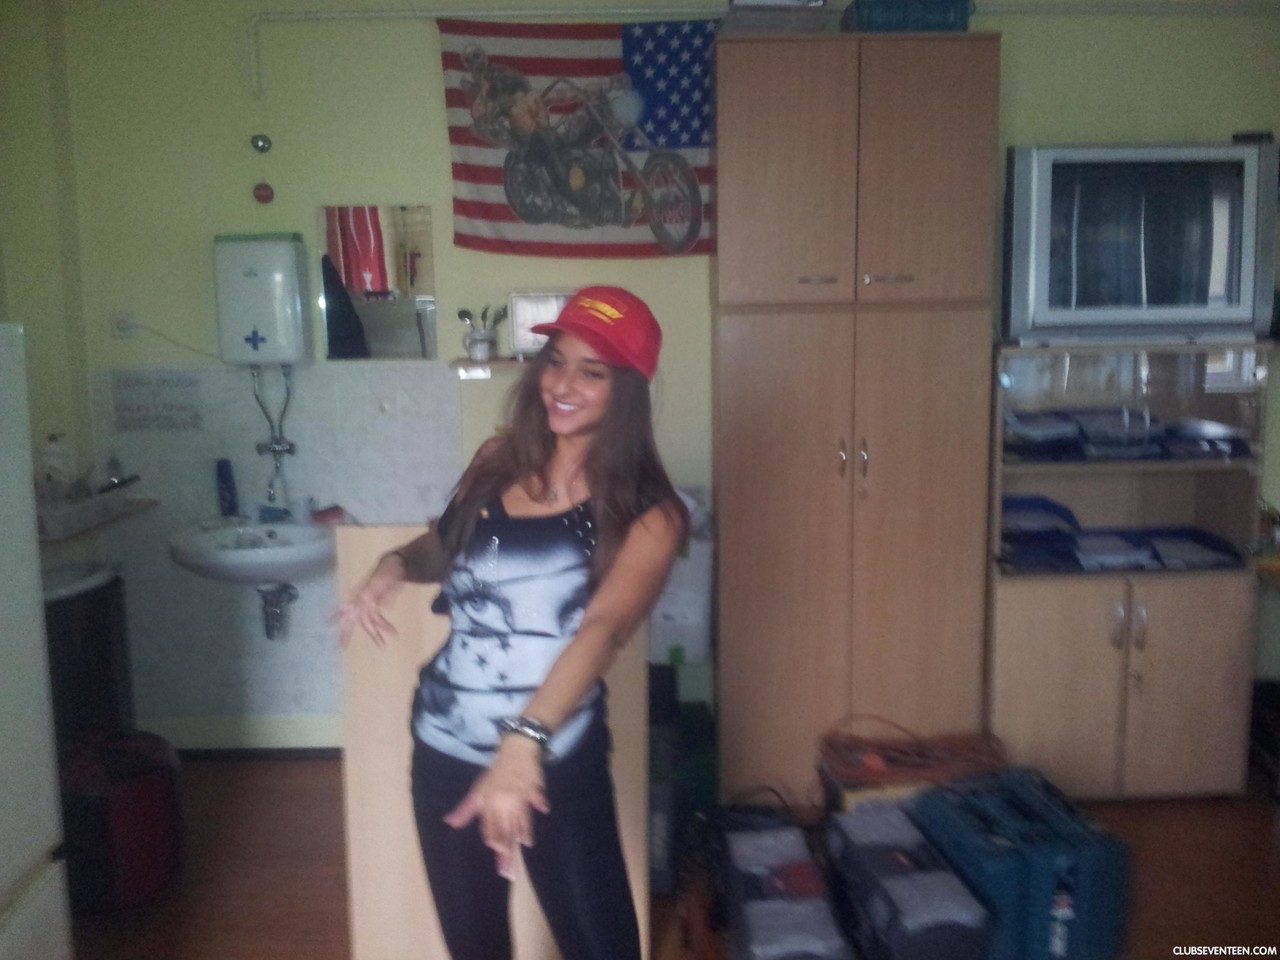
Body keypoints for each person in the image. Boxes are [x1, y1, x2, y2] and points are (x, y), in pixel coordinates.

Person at [334, 285, 687, 960]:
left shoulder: (649, 512)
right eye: (556, 361)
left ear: (628, 390)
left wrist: (522, 746)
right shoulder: (496, 461)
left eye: (592, 372)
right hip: (447, 747)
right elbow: (445, 545)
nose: (562, 385)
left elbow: (603, 629)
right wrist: (392, 565)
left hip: (554, 759)